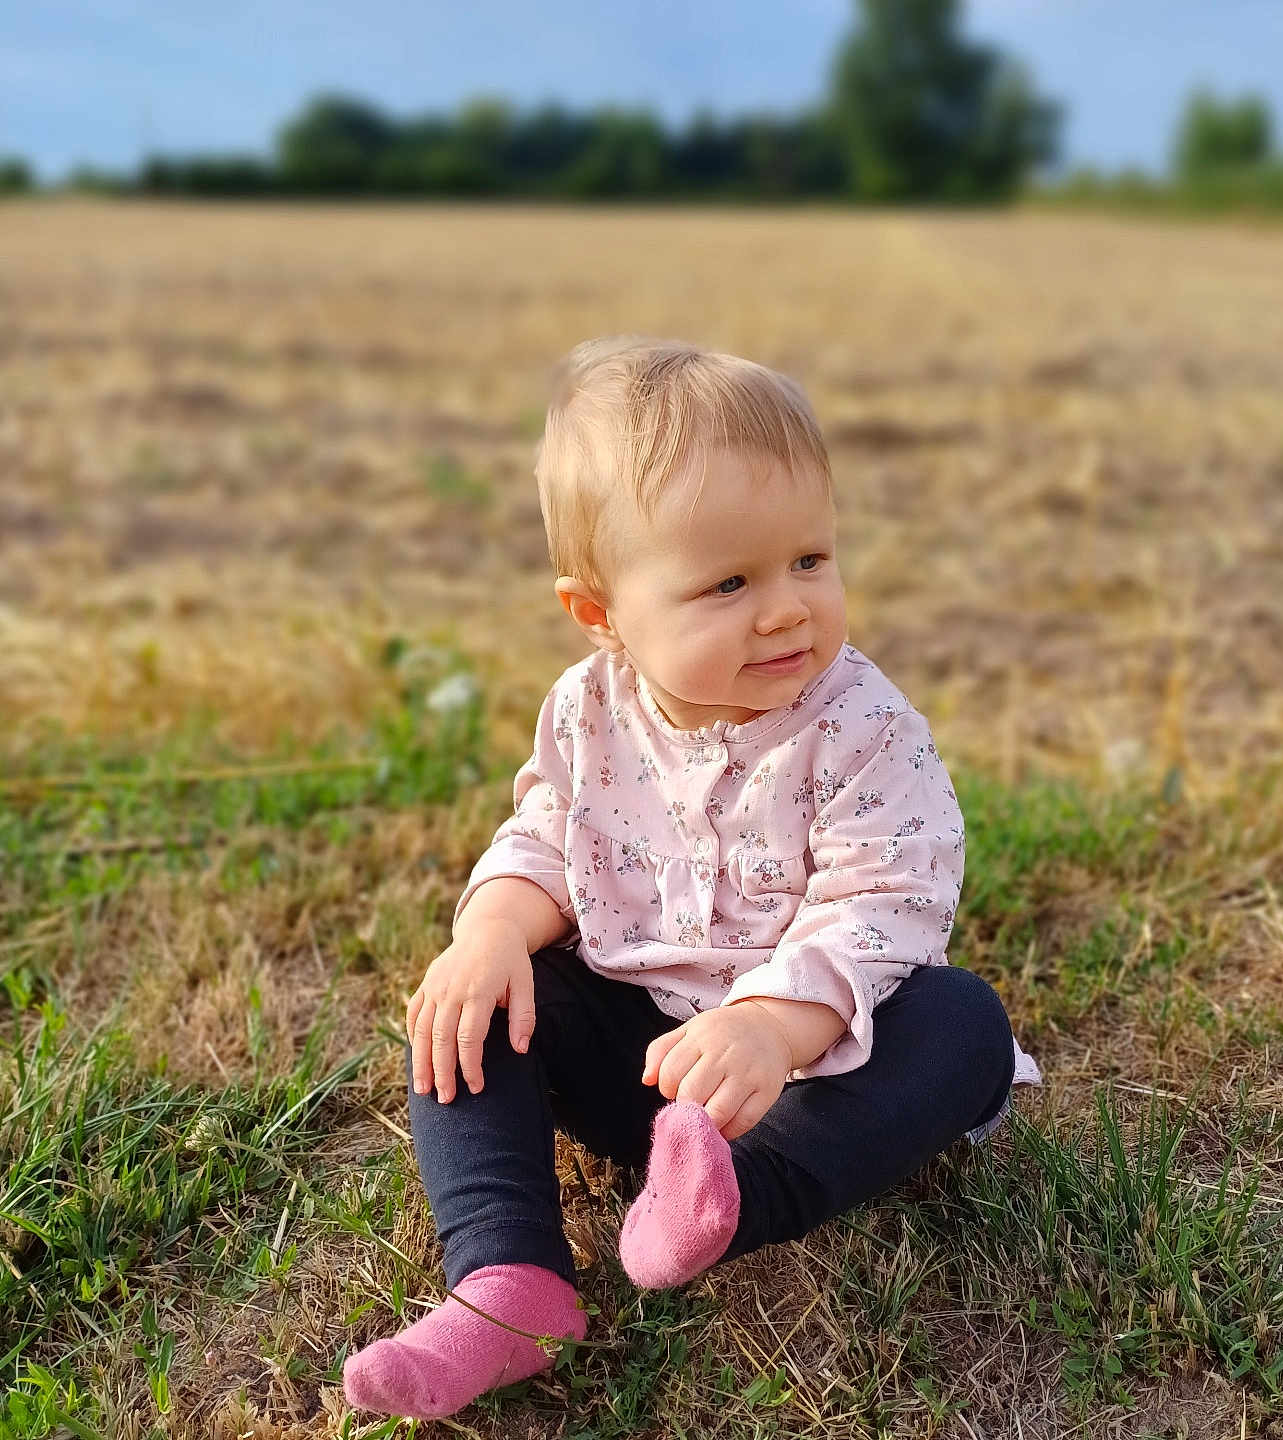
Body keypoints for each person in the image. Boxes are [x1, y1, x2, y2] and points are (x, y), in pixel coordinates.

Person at [342, 337, 1041, 1419]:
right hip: (652, 1067)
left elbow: (885, 900)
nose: (785, 608)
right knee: (474, 1005)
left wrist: (770, 1027)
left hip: (816, 1071)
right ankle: (506, 1280)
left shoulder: (861, 729)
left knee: (963, 1025)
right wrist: (487, 932)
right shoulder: (590, 708)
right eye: (728, 582)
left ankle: (731, 1204)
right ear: (602, 613)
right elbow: (546, 834)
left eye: (810, 559)